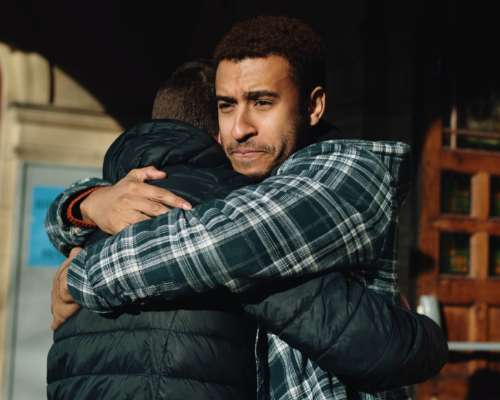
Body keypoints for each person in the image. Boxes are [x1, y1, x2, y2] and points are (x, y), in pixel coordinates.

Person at [47, 16, 447, 399]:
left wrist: (79, 276)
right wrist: (88, 203)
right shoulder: (248, 183)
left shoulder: (346, 172)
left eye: (262, 102)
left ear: (314, 106)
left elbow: (215, 245)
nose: (239, 128)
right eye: (226, 106)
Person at [47, 61, 257, 400]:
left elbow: (58, 220)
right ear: (221, 130)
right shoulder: (243, 205)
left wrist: (88, 205)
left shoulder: (103, 212)